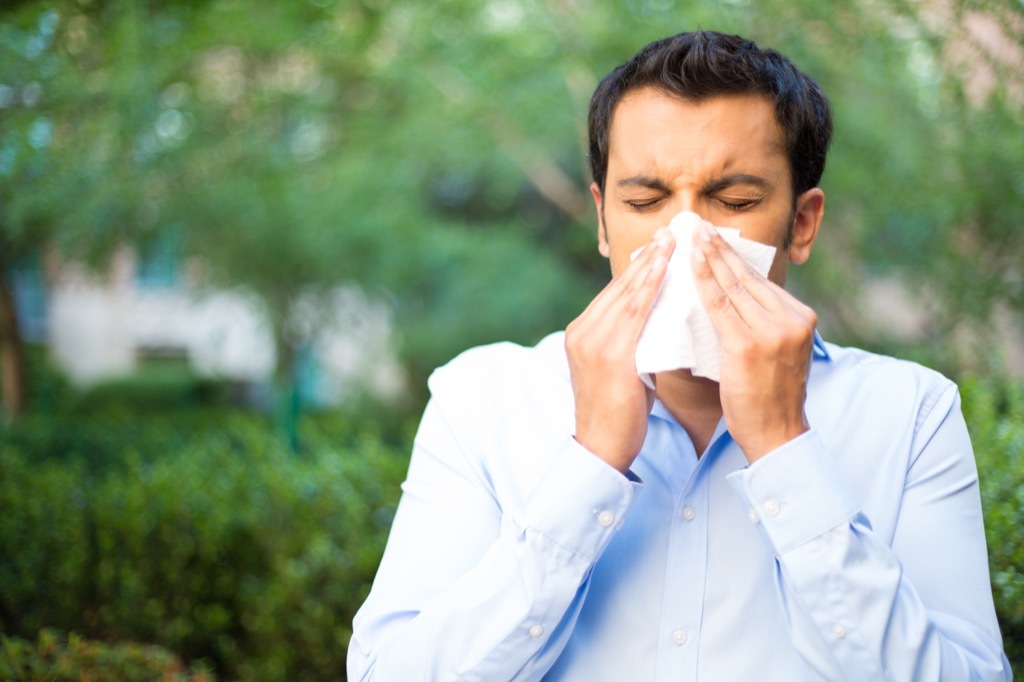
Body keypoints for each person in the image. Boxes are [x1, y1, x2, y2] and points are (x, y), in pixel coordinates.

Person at [347, 30, 1011, 681]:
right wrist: (589, 463)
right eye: (646, 200)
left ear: (801, 225)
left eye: (736, 200)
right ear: (604, 222)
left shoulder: (911, 414)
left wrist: (786, 451)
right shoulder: (482, 401)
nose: (687, 235)